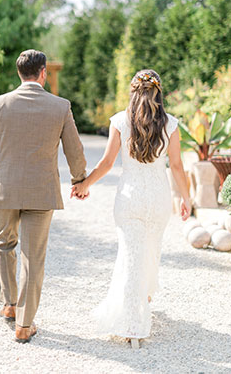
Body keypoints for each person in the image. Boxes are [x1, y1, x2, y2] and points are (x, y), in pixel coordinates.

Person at [71, 69, 191, 349]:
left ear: (133, 92)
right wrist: (186, 198)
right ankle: (140, 307)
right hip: (158, 199)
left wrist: (85, 184)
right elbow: (176, 166)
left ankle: (132, 326)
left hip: (129, 198)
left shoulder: (121, 121)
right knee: (150, 252)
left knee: (131, 256)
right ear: (158, 94)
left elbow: (107, 163)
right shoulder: (171, 124)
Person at [0, 49, 87, 343]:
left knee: (4, 244)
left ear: (19, 73)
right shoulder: (60, 106)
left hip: (6, 190)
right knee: (33, 257)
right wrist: (79, 181)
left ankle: (10, 305)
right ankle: (24, 324)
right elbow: (74, 149)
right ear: (43, 73)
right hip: (42, 191)